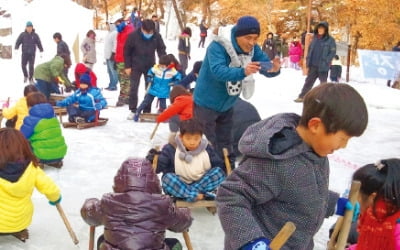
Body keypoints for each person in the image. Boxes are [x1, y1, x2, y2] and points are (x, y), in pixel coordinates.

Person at [216, 83, 369, 250]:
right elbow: (231, 195)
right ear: (315, 126)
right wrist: (250, 241)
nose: (344, 145)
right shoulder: (277, 160)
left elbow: (301, 190)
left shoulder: (315, 152)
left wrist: (332, 203)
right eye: (342, 138)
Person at [193, 15, 280, 167]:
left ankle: (228, 174)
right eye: (248, 38)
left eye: (255, 38)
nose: (252, 42)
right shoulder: (218, 46)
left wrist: (273, 69)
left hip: (227, 104)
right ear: (238, 35)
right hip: (206, 103)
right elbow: (218, 71)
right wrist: (243, 72)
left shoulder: (253, 50)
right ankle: (208, 178)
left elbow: (264, 65)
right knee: (207, 144)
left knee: (226, 142)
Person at [80, 157, 192, 250]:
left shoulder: (107, 203)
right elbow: (183, 222)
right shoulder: (162, 205)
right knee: (175, 244)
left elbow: (88, 213)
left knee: (102, 240)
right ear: (153, 181)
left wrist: (92, 202)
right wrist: (184, 212)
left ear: (120, 179)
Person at [0, 128, 61, 242]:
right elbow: (50, 188)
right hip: (20, 220)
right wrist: (55, 198)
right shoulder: (32, 168)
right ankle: (18, 230)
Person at [153, 118, 226, 202]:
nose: (192, 142)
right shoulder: (171, 148)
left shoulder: (206, 148)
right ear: (181, 137)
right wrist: (153, 158)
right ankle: (201, 194)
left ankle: (187, 194)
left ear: (201, 137)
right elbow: (158, 168)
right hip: (179, 182)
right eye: (188, 138)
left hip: (201, 182)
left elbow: (217, 165)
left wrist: (223, 164)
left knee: (219, 172)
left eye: (196, 139)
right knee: (168, 178)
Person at [346, 158, 400, 250]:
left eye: (357, 195)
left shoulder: (393, 234)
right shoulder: (375, 218)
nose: (353, 200)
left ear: (372, 197)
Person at [124, 19, 167, 119]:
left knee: (149, 88)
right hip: (135, 66)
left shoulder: (156, 36)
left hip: (150, 66)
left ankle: (147, 110)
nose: (149, 34)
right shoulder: (133, 36)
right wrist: (127, 66)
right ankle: (133, 109)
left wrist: (163, 62)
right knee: (134, 88)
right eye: (147, 32)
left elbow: (161, 49)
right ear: (142, 29)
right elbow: (127, 51)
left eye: (151, 32)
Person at [21, 92, 67, 168]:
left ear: (29, 106)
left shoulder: (31, 120)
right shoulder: (53, 116)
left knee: (25, 142)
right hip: (60, 154)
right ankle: (55, 161)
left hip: (41, 155)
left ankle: (37, 160)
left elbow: (21, 136)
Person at [294, 21, 336, 102]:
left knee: (323, 84)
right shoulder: (315, 39)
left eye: (322, 29)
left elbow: (332, 52)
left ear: (326, 30)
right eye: (319, 28)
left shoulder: (330, 40)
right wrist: (307, 61)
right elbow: (310, 50)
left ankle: (325, 99)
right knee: (308, 82)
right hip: (313, 64)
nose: (320, 30)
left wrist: (326, 60)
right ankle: (302, 96)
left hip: (323, 66)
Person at [132, 55, 181, 121]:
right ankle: (137, 112)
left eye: (163, 66)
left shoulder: (172, 71)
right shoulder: (156, 68)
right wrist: (149, 77)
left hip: (164, 91)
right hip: (153, 89)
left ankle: (163, 116)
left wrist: (176, 81)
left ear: (168, 65)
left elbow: (178, 75)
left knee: (163, 105)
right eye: (160, 65)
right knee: (146, 101)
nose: (161, 67)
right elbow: (150, 72)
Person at [114, 18, 134, 106]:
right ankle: (126, 96)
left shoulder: (129, 31)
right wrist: (115, 58)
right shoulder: (120, 32)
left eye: (117, 24)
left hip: (126, 59)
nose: (116, 26)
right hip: (119, 59)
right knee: (122, 78)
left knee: (125, 79)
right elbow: (118, 47)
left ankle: (123, 97)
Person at [104, 22, 118, 91]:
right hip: (107, 56)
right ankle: (111, 84)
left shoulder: (115, 33)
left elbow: (116, 44)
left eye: (107, 26)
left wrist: (113, 53)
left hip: (111, 55)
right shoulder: (108, 34)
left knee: (113, 71)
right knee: (109, 71)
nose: (106, 27)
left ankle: (114, 85)